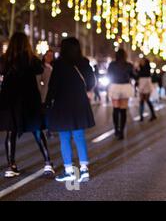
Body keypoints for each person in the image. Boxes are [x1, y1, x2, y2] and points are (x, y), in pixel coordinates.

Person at [0, 32, 54, 178]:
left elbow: (2, 70)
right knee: (37, 130)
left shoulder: (5, 59)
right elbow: (40, 69)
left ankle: (11, 165)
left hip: (10, 99)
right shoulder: (31, 59)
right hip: (29, 99)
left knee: (11, 132)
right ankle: (48, 162)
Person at [46, 37, 96, 182]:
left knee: (65, 138)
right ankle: (84, 169)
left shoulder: (59, 64)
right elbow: (91, 81)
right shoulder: (84, 62)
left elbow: (53, 86)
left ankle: (69, 171)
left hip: (63, 105)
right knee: (79, 136)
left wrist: (48, 101)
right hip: (80, 103)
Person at [107, 48, 135, 140]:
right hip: (125, 87)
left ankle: (116, 130)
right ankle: (122, 132)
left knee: (115, 109)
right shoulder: (129, 65)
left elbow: (109, 74)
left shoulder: (112, 65)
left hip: (115, 86)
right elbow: (133, 76)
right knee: (123, 110)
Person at [37, 49, 55, 138]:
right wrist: (42, 91)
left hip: (53, 93)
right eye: (48, 55)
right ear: (44, 56)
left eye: (52, 55)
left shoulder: (53, 67)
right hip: (45, 94)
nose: (50, 57)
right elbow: (38, 81)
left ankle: (50, 129)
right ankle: (48, 130)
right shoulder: (42, 67)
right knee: (47, 113)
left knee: (51, 112)